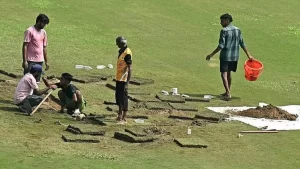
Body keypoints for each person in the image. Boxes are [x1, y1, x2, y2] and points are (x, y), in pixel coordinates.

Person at [206, 13, 254, 100]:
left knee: (223, 74)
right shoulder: (238, 30)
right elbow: (242, 43)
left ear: (227, 21)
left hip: (225, 56)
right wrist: (249, 55)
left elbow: (221, 45)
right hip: (234, 56)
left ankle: (228, 93)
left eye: (222, 21)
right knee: (229, 73)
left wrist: (211, 55)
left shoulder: (224, 31)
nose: (221, 23)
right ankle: (228, 91)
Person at [22, 14, 50, 83]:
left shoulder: (43, 32)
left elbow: (44, 47)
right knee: (28, 79)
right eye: (43, 23)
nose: (44, 25)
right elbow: (25, 45)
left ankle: (34, 93)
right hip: (30, 60)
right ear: (38, 21)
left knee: (37, 81)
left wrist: (46, 61)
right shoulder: (29, 31)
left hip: (40, 60)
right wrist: (25, 61)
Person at [115, 36, 132, 124]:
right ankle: (119, 114)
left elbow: (130, 68)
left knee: (124, 97)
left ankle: (124, 117)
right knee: (118, 97)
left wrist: (127, 83)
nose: (116, 44)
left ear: (121, 43)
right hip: (119, 78)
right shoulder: (121, 51)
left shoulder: (127, 53)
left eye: (117, 43)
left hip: (123, 79)